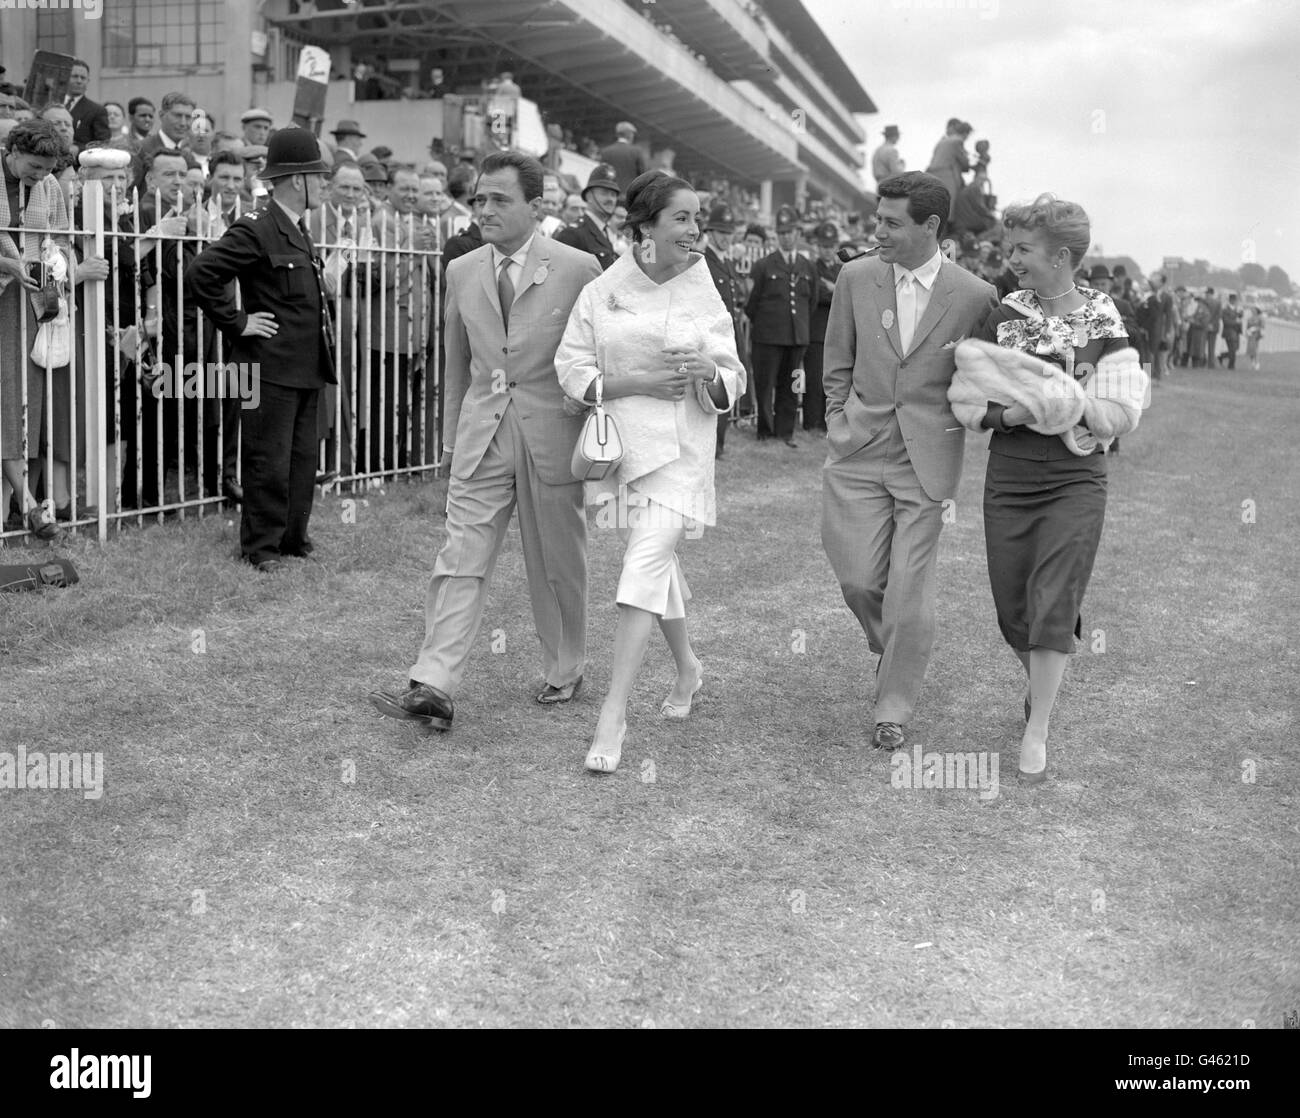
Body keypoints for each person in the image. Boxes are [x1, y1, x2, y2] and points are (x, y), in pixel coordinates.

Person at [367, 150, 602, 731]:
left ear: (536, 205)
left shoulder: (579, 268)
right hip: (483, 433)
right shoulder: (461, 269)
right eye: (479, 199)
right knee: (460, 557)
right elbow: (455, 364)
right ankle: (434, 681)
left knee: (556, 560)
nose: (485, 209)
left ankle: (565, 667)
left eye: (500, 199)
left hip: (554, 434)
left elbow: (600, 355)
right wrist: (451, 438)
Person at [555, 170, 744, 773]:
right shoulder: (604, 287)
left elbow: (732, 375)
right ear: (646, 227)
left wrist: (708, 372)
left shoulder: (702, 285)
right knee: (655, 563)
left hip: (685, 450)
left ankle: (614, 711)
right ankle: (688, 667)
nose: (695, 230)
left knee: (642, 564)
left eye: (697, 218)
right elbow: (571, 366)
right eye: (682, 219)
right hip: (625, 451)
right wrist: (634, 382)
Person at [951, 194, 1144, 784]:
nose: (1012, 259)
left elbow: (1122, 411)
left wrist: (1071, 403)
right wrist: (1009, 416)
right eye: (1011, 247)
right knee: (1014, 607)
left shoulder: (1107, 320)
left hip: (1075, 480)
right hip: (1009, 476)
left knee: (1053, 598)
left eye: (1023, 249)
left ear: (1061, 256)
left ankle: (1038, 729)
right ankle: (1040, 683)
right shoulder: (1001, 312)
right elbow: (965, 396)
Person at [820, 171, 996, 752]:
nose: (879, 231)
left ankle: (891, 706)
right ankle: (893, 649)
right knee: (858, 579)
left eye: (892, 223)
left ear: (931, 228)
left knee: (908, 592)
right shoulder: (855, 276)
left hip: (929, 458)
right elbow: (835, 360)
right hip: (859, 447)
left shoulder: (975, 295)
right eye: (878, 219)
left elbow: (984, 376)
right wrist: (837, 416)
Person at [187, 128, 337, 572]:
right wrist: (238, 322)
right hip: (268, 366)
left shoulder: (298, 230)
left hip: (305, 364)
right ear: (296, 179)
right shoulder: (258, 227)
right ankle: (262, 547)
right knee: (268, 459)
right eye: (318, 176)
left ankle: (293, 537)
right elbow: (202, 272)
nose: (324, 185)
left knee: (300, 458)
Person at [0, 120, 74, 540]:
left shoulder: (48, 187)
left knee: (16, 401)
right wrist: (5, 263)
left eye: (47, 170)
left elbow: (62, 237)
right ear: (10, 151)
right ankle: (27, 504)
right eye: (32, 167)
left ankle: (26, 503)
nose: (40, 176)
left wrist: (56, 259)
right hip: (7, 290)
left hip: (26, 301)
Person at [745, 204, 817, 446]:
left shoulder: (808, 267)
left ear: (797, 233)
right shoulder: (763, 265)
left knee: (792, 385)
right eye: (781, 232)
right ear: (777, 234)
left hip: (797, 338)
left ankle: (785, 432)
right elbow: (750, 304)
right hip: (767, 337)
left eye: (790, 232)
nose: (786, 237)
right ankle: (765, 431)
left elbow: (812, 302)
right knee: (765, 386)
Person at [700, 201, 746, 458]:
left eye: (729, 233)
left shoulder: (727, 263)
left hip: (727, 334)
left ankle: (720, 445)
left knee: (726, 386)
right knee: (712, 388)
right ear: (710, 232)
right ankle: (712, 446)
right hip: (710, 335)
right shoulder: (703, 261)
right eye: (721, 233)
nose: (726, 238)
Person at [804, 220, 842, 435]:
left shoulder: (842, 269)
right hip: (817, 331)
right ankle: (811, 422)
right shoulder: (811, 268)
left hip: (836, 332)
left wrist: (832, 288)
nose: (827, 251)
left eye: (830, 246)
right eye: (823, 246)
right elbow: (818, 294)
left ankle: (828, 422)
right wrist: (835, 290)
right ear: (817, 246)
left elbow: (846, 296)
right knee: (815, 379)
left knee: (834, 382)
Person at [553, 163, 619, 271]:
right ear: (589, 196)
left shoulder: (605, 232)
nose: (610, 199)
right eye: (604, 193)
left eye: (613, 194)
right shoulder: (573, 233)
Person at [924, 118, 972, 222]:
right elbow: (964, 163)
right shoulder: (958, 141)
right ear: (965, 133)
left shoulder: (942, 141)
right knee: (948, 207)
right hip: (946, 175)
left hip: (932, 174)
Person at [64, 59, 110, 149]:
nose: (79, 81)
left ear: (88, 81)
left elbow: (103, 144)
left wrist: (78, 149)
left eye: (83, 78)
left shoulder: (97, 111)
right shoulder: (52, 104)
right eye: (75, 76)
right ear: (65, 77)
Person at [599, 121, 647, 191]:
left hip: (610, 194)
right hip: (629, 196)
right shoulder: (636, 152)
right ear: (629, 134)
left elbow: (601, 175)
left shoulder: (605, 152)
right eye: (633, 134)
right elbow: (643, 177)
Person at [1219, 292, 1242, 369]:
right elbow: (1226, 321)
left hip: (1236, 331)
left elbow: (1240, 317)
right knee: (1232, 348)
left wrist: (1240, 314)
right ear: (1230, 300)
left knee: (1235, 348)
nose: (1235, 301)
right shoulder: (1225, 310)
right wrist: (1236, 322)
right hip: (1229, 331)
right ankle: (1231, 365)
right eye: (1233, 300)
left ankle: (1222, 356)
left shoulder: (1237, 309)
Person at [1244, 304, 1264, 370]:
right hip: (1250, 335)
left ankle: (1257, 363)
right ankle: (1252, 362)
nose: (1252, 310)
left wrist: (1255, 328)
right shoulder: (1249, 318)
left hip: (1256, 335)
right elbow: (1247, 327)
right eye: (1252, 309)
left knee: (1256, 349)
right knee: (1250, 349)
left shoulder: (1260, 318)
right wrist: (1247, 332)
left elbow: (1262, 327)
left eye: (1254, 309)